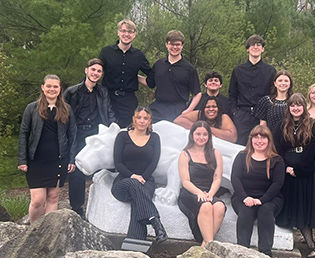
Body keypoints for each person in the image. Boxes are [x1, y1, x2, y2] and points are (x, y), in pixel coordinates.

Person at [275, 94, 315, 258]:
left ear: (304, 107)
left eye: (299, 105)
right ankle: (310, 246)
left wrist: (300, 169)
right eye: (292, 105)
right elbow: (279, 150)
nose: (296, 108)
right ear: (288, 108)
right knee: (300, 209)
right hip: (290, 173)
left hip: (311, 171)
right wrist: (287, 167)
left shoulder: (314, 125)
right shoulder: (282, 126)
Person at [18, 74, 77, 224]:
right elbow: (24, 134)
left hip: (58, 160)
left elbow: (73, 135)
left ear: (60, 89)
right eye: (49, 86)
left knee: (53, 198)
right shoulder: (31, 108)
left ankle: (47, 233)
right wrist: (22, 160)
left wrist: (71, 159)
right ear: (43, 88)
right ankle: (34, 231)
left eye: (55, 86)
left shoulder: (67, 109)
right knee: (38, 200)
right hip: (36, 161)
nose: (52, 89)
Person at [64, 58, 116, 218]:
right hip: (78, 135)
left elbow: (108, 112)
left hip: (96, 135)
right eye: (93, 70)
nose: (95, 73)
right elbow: (63, 116)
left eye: (99, 71)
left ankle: (102, 209)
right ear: (86, 70)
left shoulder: (103, 92)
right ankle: (77, 207)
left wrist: (114, 129)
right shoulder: (72, 92)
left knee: (103, 171)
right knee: (77, 171)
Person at [111, 106, 168, 243]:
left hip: (146, 180)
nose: (142, 121)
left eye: (145, 118)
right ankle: (156, 223)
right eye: (139, 117)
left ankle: (135, 247)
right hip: (123, 182)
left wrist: (142, 177)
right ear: (134, 119)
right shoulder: (122, 136)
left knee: (138, 203)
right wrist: (133, 176)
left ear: (149, 121)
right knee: (134, 184)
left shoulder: (154, 138)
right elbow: (118, 163)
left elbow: (153, 163)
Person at [231, 125, 285, 256]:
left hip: (270, 199)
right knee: (245, 211)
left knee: (265, 210)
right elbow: (235, 178)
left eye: (263, 137)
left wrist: (261, 200)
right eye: (256, 137)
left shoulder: (277, 160)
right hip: (244, 197)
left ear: (269, 140)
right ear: (251, 139)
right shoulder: (242, 156)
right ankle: (242, 252)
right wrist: (245, 198)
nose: (259, 141)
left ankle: (265, 253)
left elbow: (277, 184)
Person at [177, 121, 226, 246]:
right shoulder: (185, 154)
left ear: (209, 136)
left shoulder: (215, 153)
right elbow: (185, 181)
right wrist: (199, 193)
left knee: (219, 206)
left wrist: (210, 194)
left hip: (209, 191)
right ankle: (209, 243)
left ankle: (205, 244)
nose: (201, 137)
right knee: (206, 206)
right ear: (192, 135)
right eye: (198, 134)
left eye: (205, 134)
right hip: (190, 192)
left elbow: (217, 178)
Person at [99, 19, 151, 128]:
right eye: (123, 31)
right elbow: (95, 72)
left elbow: (151, 77)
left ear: (134, 35)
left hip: (129, 102)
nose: (126, 34)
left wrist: (135, 76)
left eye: (130, 31)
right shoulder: (106, 52)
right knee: (106, 133)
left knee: (127, 132)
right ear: (118, 32)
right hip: (108, 99)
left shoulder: (139, 55)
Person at [229, 34, 276, 145]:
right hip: (242, 116)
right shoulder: (238, 70)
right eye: (252, 45)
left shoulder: (271, 71)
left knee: (262, 146)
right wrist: (235, 113)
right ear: (247, 49)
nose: (255, 47)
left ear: (263, 49)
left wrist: (268, 114)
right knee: (241, 147)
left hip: (263, 117)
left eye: (258, 45)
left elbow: (273, 94)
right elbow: (232, 94)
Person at [147, 30, 201, 122]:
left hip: (178, 110)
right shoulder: (159, 64)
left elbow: (197, 93)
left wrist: (188, 111)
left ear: (182, 46)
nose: (175, 47)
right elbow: (149, 82)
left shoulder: (189, 69)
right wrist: (133, 75)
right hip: (157, 108)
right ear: (166, 45)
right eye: (172, 44)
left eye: (178, 44)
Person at [254, 70, 293, 135]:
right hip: (272, 139)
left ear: (290, 84)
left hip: (291, 138)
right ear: (275, 83)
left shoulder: (294, 101)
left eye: (286, 81)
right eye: (280, 81)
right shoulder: (266, 101)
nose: (283, 83)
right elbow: (263, 125)